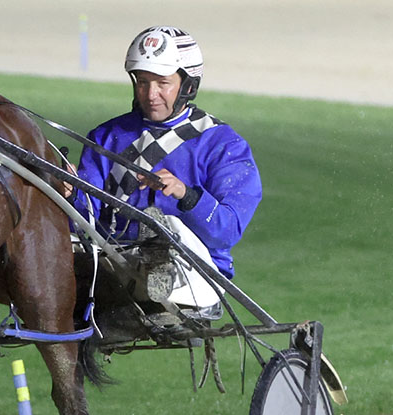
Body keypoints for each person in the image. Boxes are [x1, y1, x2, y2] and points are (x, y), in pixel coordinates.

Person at [69, 26, 262, 313]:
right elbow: (86, 220)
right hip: (113, 263)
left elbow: (226, 231)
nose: (150, 94)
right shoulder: (105, 137)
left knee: (163, 227)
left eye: (162, 83)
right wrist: (70, 194)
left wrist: (187, 196)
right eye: (142, 82)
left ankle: (155, 273)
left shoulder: (224, 145)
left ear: (188, 86)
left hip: (195, 273)